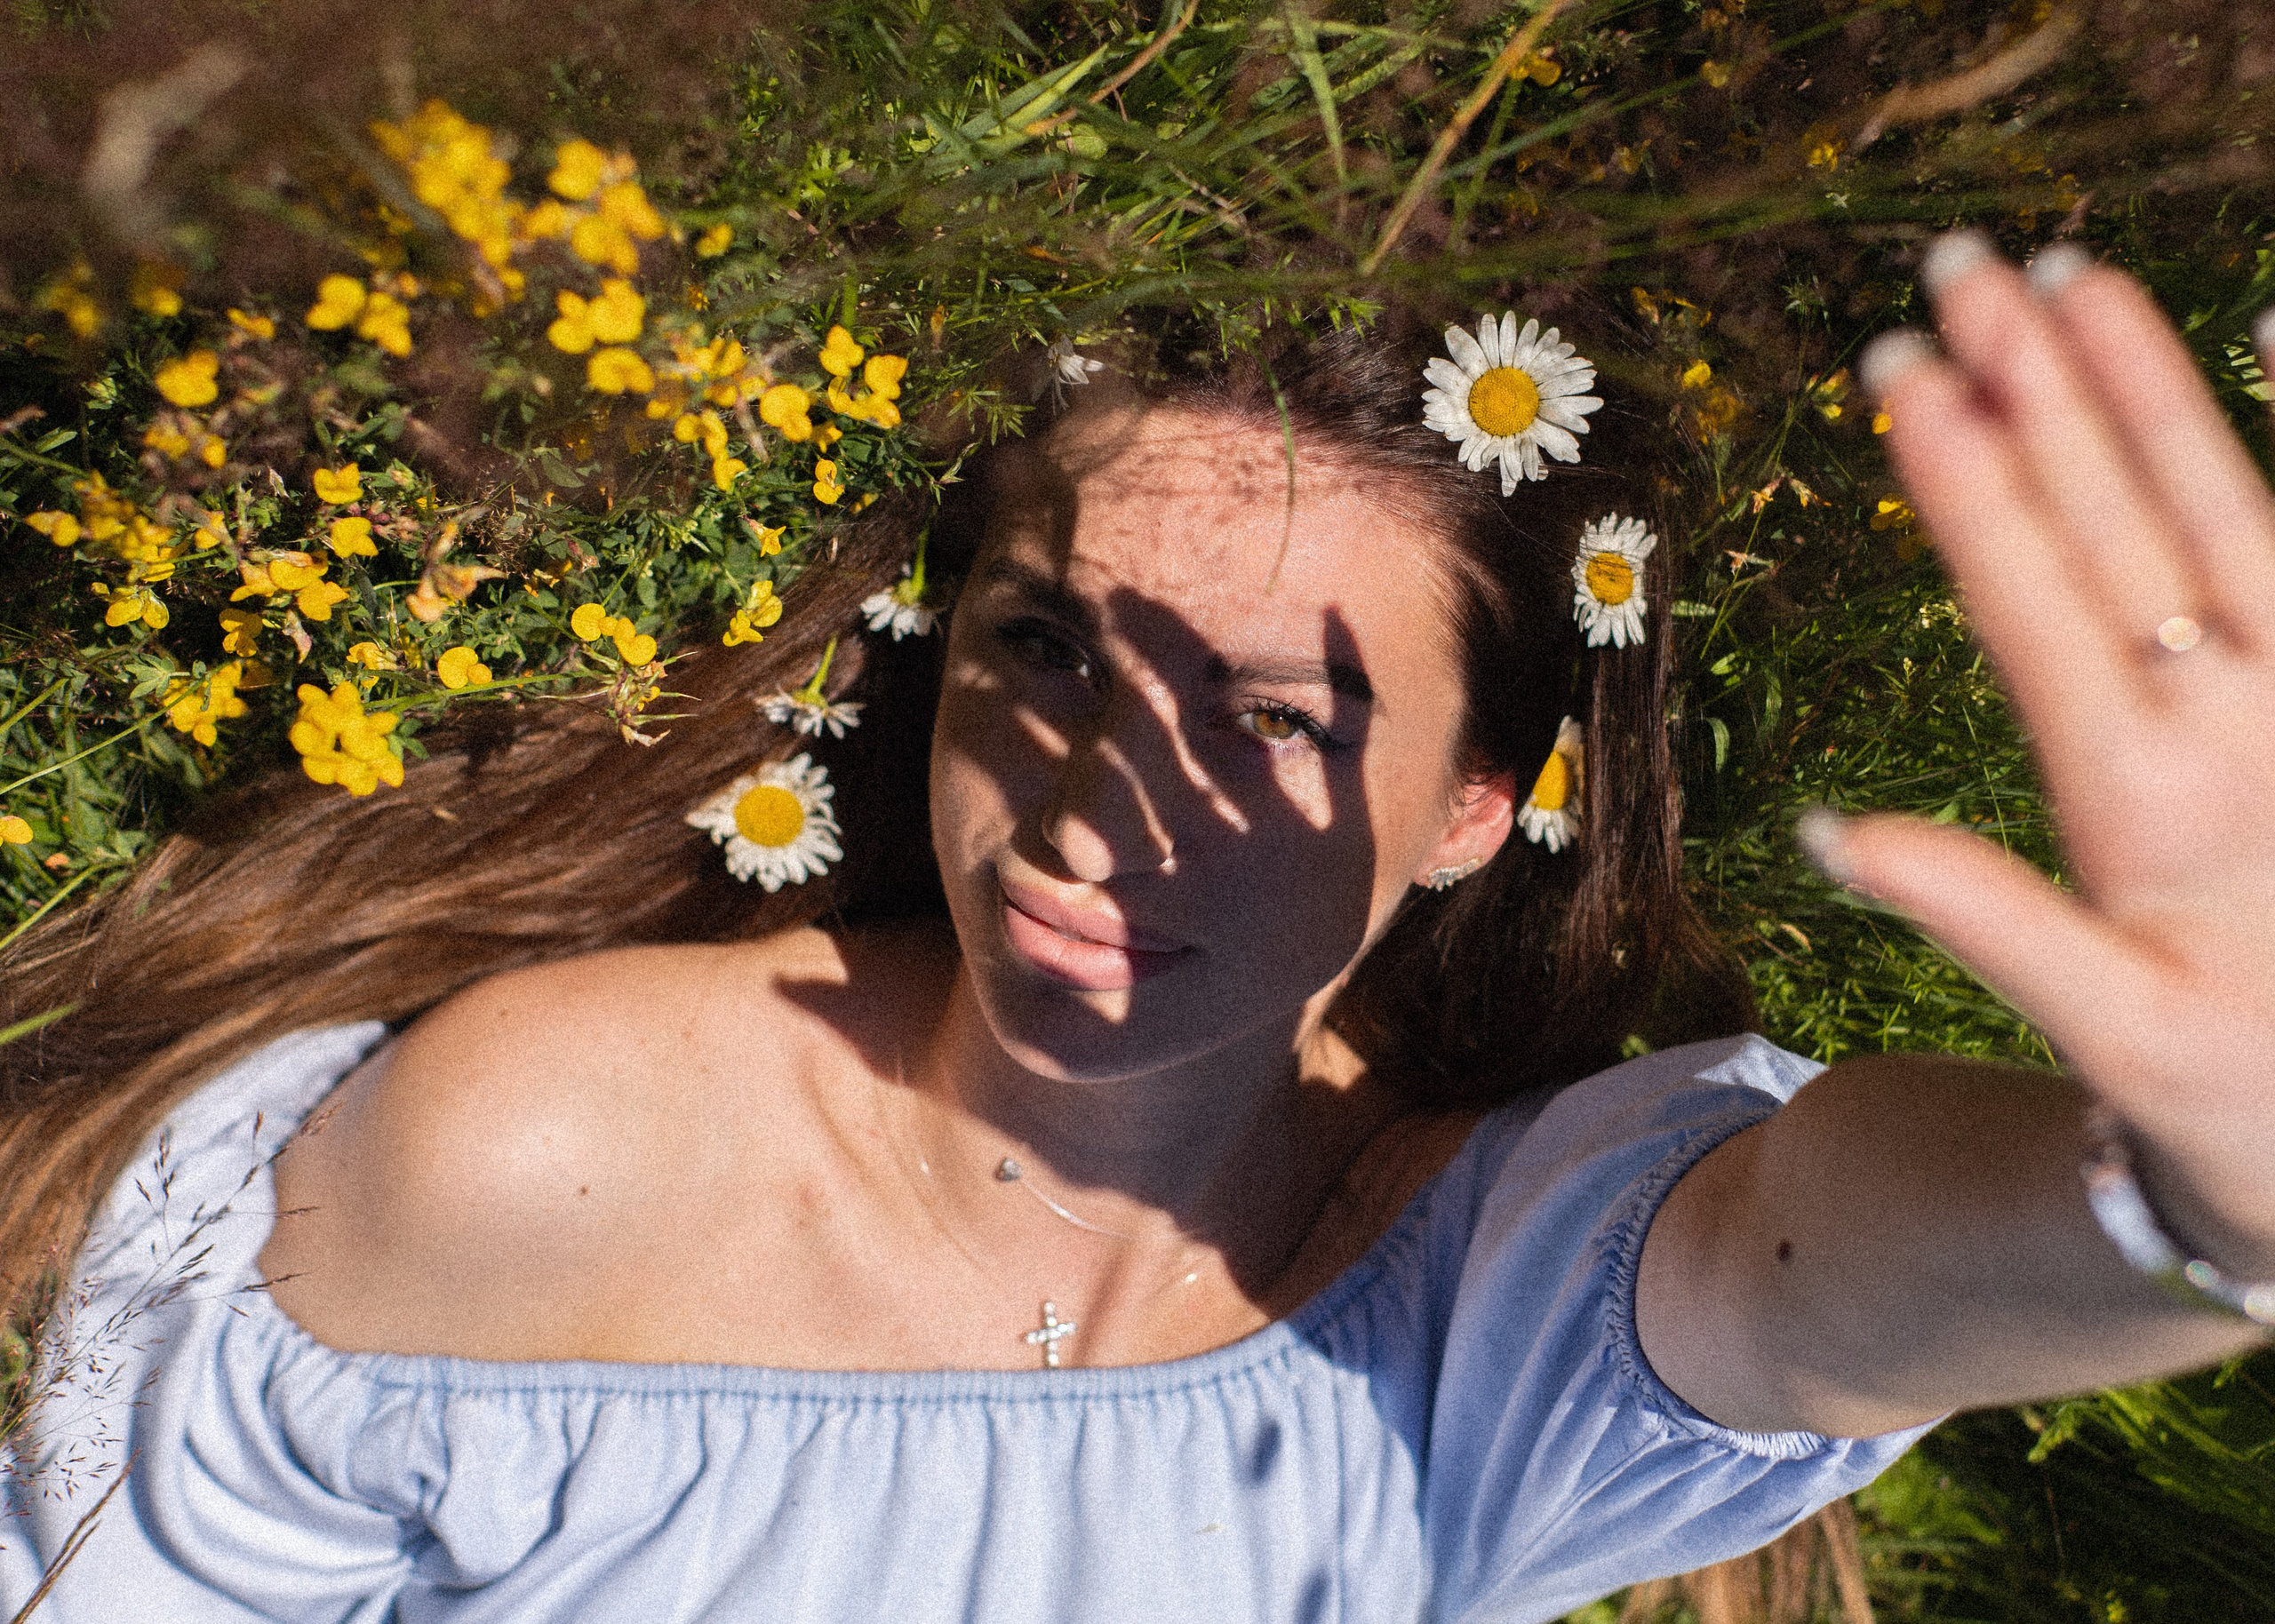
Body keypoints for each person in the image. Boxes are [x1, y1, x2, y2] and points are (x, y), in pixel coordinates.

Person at [3, 230, 2270, 1621]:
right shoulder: (546, 1146)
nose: (1095, 813)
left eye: (1271, 719)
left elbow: (1827, 1268)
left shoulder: (1468, 1316)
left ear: (1477, 804)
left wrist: (2202, 1186)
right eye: (1051, 655)